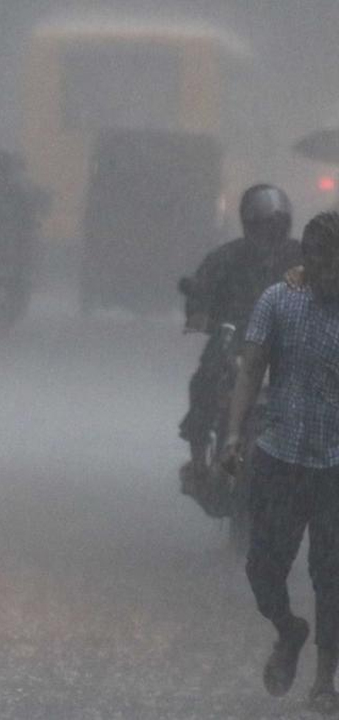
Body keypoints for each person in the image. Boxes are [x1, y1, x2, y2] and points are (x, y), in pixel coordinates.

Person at [221, 211, 339, 712]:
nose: (330, 274)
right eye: (321, 262)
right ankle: (288, 629)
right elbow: (251, 370)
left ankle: (323, 682)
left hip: (334, 466)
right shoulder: (278, 300)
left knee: (331, 574)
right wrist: (232, 435)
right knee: (262, 571)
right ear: (305, 261)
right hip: (279, 457)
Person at [180, 185, 301, 468]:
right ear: (249, 224)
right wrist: (200, 313)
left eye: (276, 227)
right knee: (206, 379)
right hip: (234, 339)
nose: (269, 234)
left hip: (289, 343)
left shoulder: (305, 257)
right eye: (263, 227)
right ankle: (198, 459)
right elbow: (201, 293)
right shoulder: (225, 258)